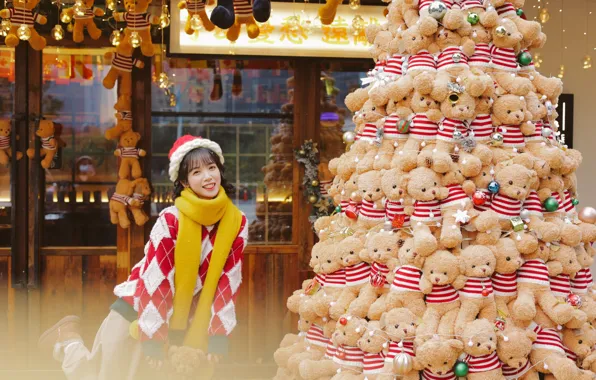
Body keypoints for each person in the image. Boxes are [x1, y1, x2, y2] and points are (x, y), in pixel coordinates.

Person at [38, 135, 248, 380]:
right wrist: (154, 340)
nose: (208, 177)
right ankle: (68, 340)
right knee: (100, 375)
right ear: (184, 181)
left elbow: (227, 282)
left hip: (183, 323)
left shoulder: (236, 222)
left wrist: (218, 336)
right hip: (138, 310)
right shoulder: (172, 219)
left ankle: (67, 342)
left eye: (212, 168)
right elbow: (157, 281)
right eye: (197, 172)